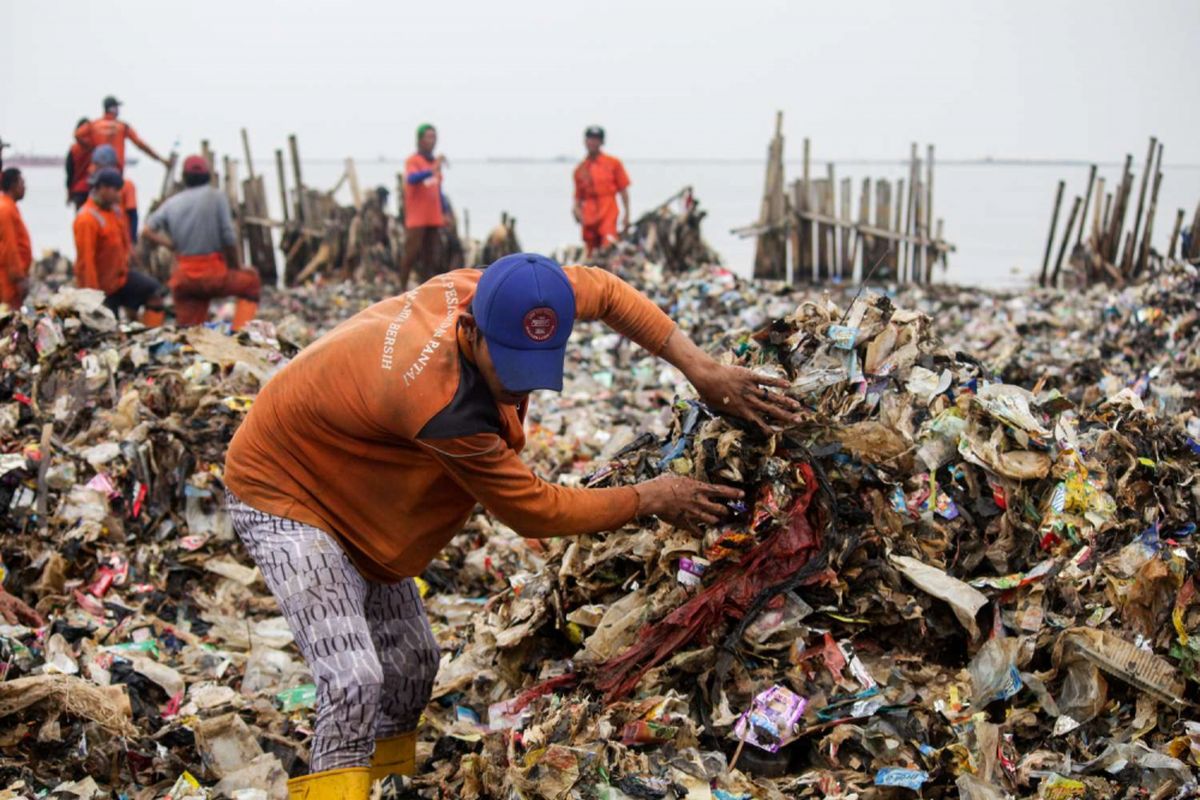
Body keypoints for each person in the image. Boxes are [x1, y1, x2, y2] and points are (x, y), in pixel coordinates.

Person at [224, 253, 800, 796]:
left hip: (352, 483)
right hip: (281, 490)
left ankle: (383, 782)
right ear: (471, 332)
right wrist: (649, 497)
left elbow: (612, 293)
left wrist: (704, 371)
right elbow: (531, 508)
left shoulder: (521, 292)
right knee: (352, 680)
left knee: (412, 667)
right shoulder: (437, 400)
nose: (523, 387)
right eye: (513, 369)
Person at [142, 155, 260, 330]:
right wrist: (236, 267)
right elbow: (228, 237)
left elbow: (146, 231)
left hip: (184, 278)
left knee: (190, 329)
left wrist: (170, 245)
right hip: (213, 275)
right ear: (208, 175)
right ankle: (241, 335)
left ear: (184, 177)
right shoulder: (216, 197)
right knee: (251, 282)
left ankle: (149, 334)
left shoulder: (171, 203)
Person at [73, 168, 166, 326]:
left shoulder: (114, 211)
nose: (119, 195)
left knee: (154, 291)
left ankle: (150, 332)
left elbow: (124, 239)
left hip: (120, 279)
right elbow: (86, 261)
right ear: (102, 188)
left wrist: (132, 257)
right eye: (116, 190)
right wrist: (94, 298)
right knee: (108, 329)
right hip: (101, 288)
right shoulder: (87, 219)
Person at [399, 123, 446, 289]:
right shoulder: (413, 161)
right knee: (411, 253)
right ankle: (401, 286)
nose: (431, 141)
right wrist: (432, 169)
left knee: (431, 256)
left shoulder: (434, 164)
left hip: (433, 217)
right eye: (428, 137)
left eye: (434, 137)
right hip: (417, 217)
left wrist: (445, 211)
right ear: (419, 140)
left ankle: (426, 289)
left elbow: (438, 189)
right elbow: (411, 179)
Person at [573, 125, 631, 256]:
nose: (593, 142)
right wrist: (576, 210)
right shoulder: (580, 169)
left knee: (609, 243)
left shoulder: (613, 163)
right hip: (588, 213)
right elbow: (577, 197)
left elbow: (624, 191)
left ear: (602, 142)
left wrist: (627, 215)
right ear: (585, 141)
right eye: (590, 139)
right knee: (591, 249)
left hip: (608, 208)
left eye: (596, 139)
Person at [75, 95, 170, 172]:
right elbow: (140, 145)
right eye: (117, 107)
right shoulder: (123, 127)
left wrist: (92, 147)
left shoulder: (93, 125)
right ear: (113, 109)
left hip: (96, 171)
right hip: (115, 172)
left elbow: (77, 135)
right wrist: (161, 160)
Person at [91, 144, 140, 241]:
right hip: (104, 233)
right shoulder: (96, 183)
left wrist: (132, 240)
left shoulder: (127, 185)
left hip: (121, 234)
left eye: (97, 165)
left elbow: (133, 215)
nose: (94, 168)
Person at [0, 168, 32, 309]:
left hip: (11, 276)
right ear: (13, 185)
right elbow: (10, 246)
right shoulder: (6, 209)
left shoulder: (10, 207)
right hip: (8, 279)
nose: (24, 187)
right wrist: (18, 278)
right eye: (22, 183)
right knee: (9, 316)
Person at [65, 117, 93, 210]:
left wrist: (69, 194)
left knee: (81, 218)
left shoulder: (73, 149)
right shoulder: (94, 147)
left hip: (78, 190)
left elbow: (69, 172)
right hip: (93, 188)